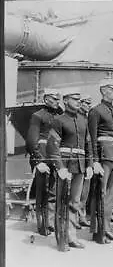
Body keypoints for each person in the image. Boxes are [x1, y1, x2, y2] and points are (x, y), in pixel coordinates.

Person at [47, 88, 93, 250]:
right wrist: (59, 167)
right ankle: (61, 239)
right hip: (65, 166)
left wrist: (89, 165)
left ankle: (72, 236)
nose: (78, 102)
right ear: (65, 101)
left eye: (79, 99)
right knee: (62, 202)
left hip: (80, 165)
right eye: (74, 99)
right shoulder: (59, 120)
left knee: (74, 202)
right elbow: (53, 145)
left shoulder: (83, 121)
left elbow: (88, 144)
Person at [88, 76, 113, 244]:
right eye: (112, 89)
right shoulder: (95, 111)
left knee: (111, 194)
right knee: (101, 193)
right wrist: (94, 161)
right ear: (104, 91)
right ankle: (98, 231)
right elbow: (92, 137)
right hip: (104, 155)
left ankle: (106, 228)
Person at [26, 88, 62, 236]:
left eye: (58, 99)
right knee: (42, 192)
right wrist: (37, 161)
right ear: (46, 99)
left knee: (53, 191)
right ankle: (42, 225)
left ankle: (51, 222)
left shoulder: (60, 115)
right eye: (54, 99)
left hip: (56, 155)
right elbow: (31, 140)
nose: (57, 102)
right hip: (42, 155)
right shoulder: (38, 116)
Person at [77, 94, 92, 228]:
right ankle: (74, 217)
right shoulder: (76, 117)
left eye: (89, 104)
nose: (88, 106)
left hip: (86, 157)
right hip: (76, 157)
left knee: (85, 191)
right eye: (86, 103)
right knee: (75, 191)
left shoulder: (87, 119)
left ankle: (81, 216)